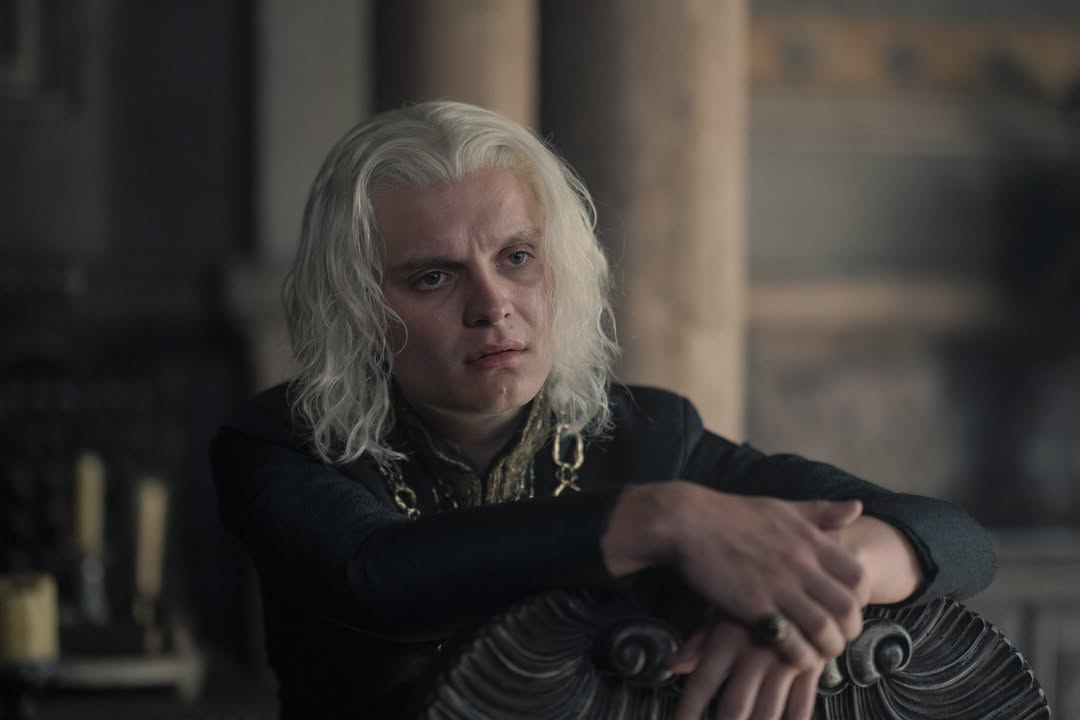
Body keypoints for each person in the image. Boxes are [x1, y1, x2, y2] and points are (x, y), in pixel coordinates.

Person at [210, 100, 995, 720]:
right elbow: (375, 577)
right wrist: (657, 519)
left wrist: (805, 597)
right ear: (357, 307)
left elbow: (956, 540)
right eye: (433, 278)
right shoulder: (277, 445)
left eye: (517, 258)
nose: (493, 305)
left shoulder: (649, 434)